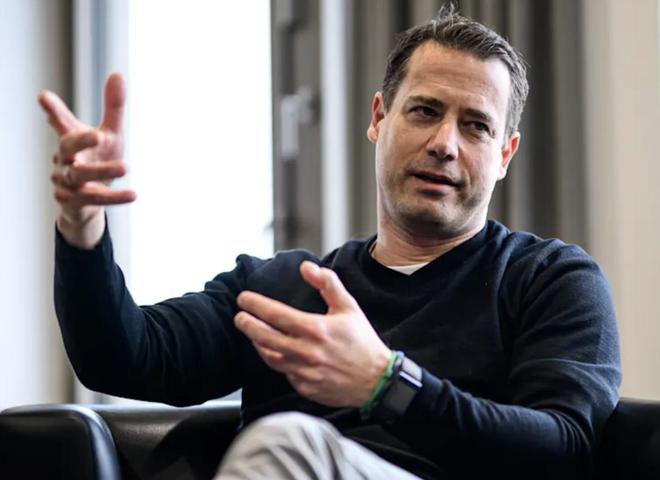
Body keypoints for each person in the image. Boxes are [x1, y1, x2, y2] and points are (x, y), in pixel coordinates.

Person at [39, 8, 620, 480]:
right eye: (424, 111)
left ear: (505, 155)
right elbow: (121, 358)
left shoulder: (549, 278)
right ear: (379, 118)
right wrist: (83, 223)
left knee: (290, 445)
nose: (446, 143)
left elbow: (565, 450)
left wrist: (387, 385)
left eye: (476, 126)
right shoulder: (287, 289)